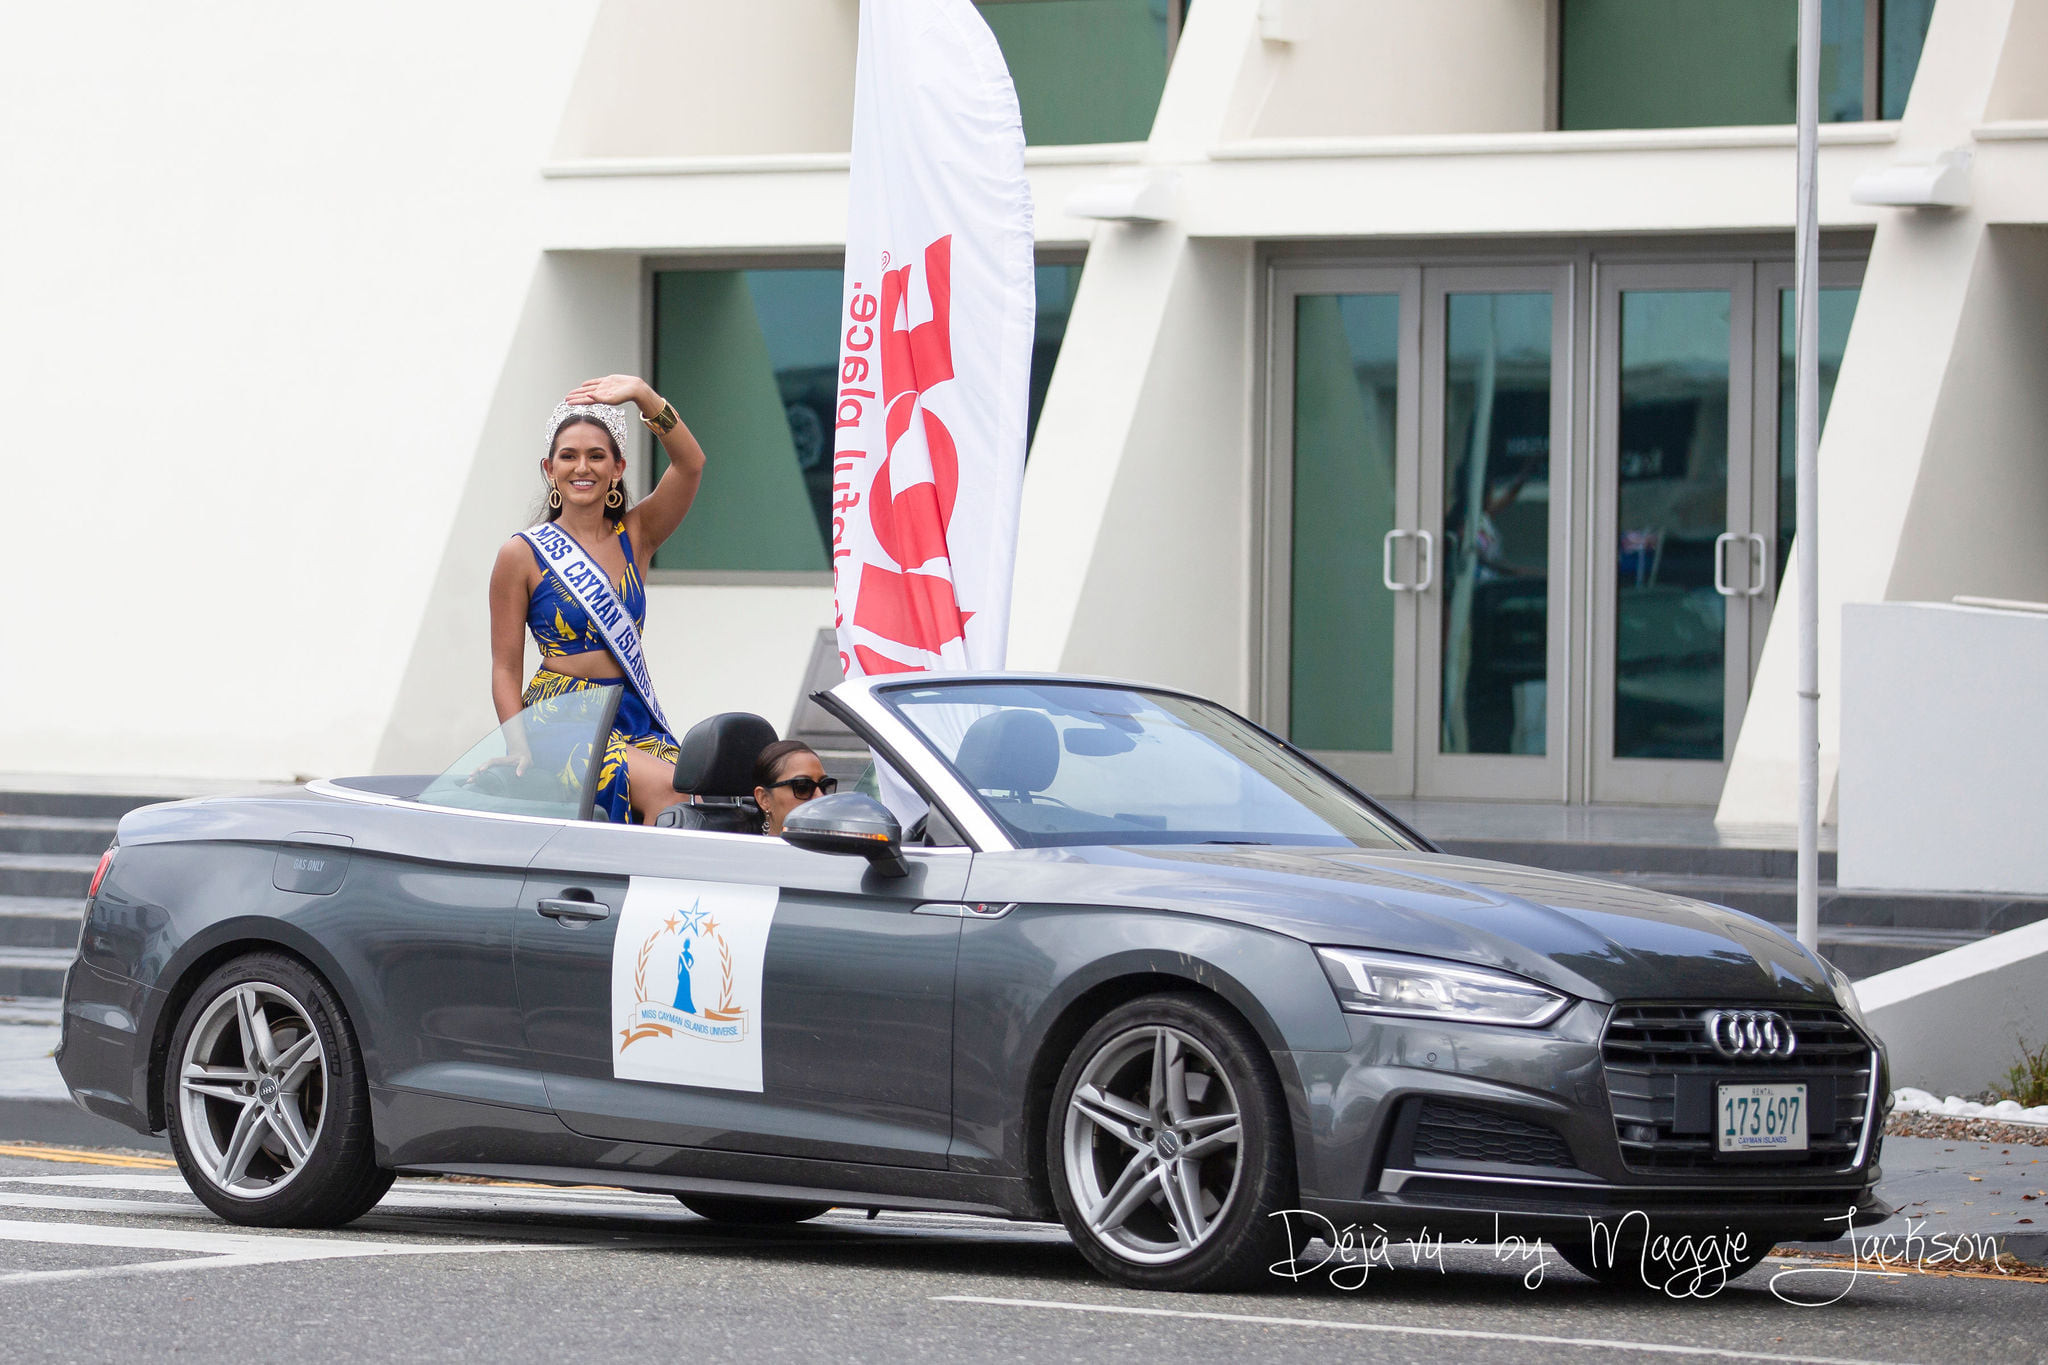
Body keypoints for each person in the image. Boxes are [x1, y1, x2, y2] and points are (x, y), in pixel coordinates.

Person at [488, 375, 705, 825]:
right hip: (559, 713)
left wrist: (645, 395)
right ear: (549, 469)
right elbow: (506, 666)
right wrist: (516, 743)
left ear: (617, 468)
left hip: (630, 707)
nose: (581, 467)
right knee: (666, 790)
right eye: (568, 456)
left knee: (697, 794)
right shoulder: (521, 553)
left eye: (595, 456)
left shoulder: (637, 536)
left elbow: (690, 464)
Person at [753, 740, 837, 836]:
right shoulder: (743, 849)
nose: (820, 797)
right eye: (803, 787)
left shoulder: (841, 848)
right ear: (764, 799)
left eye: (825, 786)